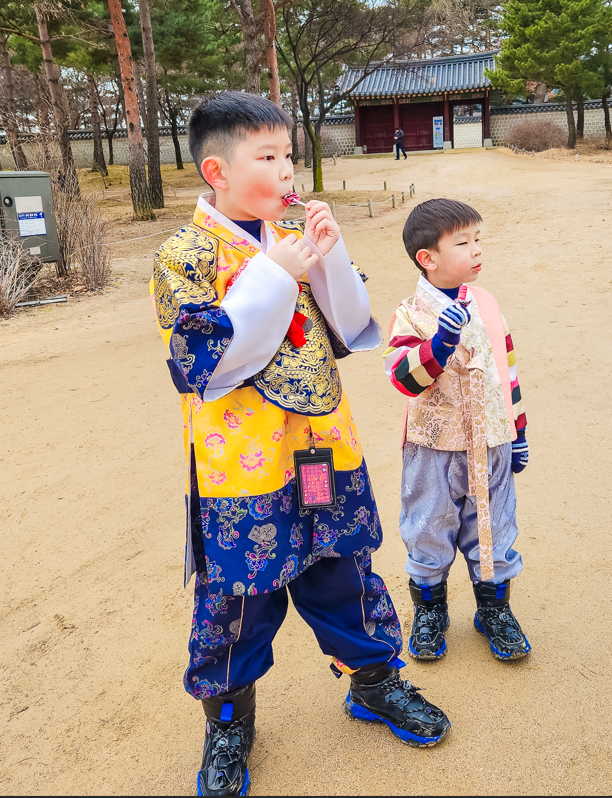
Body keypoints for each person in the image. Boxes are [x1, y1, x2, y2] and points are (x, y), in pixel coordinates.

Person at [151, 93, 450, 797]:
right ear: (216, 169)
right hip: (239, 465)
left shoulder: (285, 232)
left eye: (289, 154)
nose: (287, 169)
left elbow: (349, 329)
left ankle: (372, 681)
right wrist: (276, 271)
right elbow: (206, 364)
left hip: (319, 448)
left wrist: (329, 255)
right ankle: (228, 721)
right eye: (268, 157)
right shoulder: (183, 253)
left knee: (340, 563)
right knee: (238, 592)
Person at [383, 198, 531, 664]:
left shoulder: (485, 302)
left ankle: (494, 610)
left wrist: (518, 431)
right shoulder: (409, 313)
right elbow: (402, 378)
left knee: (494, 527)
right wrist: (439, 343)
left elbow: (505, 371)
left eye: (478, 238)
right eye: (463, 242)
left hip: (491, 440)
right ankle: (431, 610)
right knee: (428, 526)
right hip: (432, 449)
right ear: (427, 258)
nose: (477, 249)